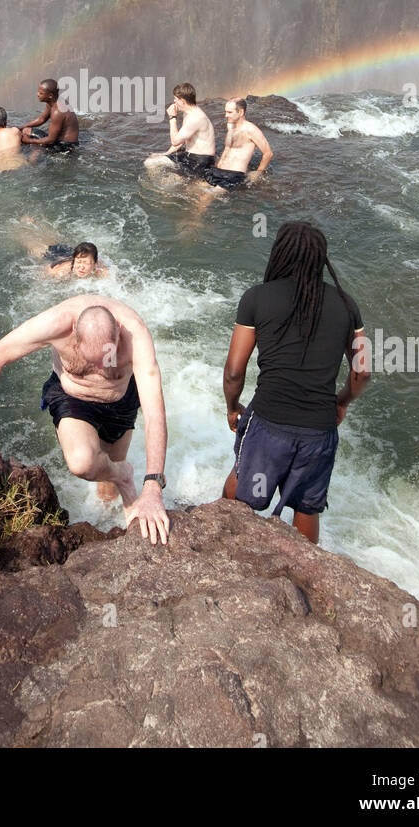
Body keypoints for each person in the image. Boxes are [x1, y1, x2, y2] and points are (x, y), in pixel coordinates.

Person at [0, 295, 170, 544]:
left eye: (108, 355)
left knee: (108, 477)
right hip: (73, 398)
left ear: (119, 331)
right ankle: (123, 475)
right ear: (74, 333)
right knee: (83, 464)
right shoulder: (57, 323)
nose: (101, 368)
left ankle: (118, 494)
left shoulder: (135, 333)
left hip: (120, 402)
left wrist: (153, 487)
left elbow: (155, 411)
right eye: (90, 360)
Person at [221, 221, 370, 544]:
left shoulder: (257, 299)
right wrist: (341, 401)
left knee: (242, 485)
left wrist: (233, 408)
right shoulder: (347, 305)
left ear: (280, 254)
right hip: (318, 430)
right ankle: (305, 573)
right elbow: (363, 371)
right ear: (321, 259)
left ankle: (222, 548)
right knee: (305, 506)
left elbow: (234, 370)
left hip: (268, 422)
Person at [143, 82, 216, 177]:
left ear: (182, 101)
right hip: (191, 156)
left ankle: (159, 188)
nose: (174, 101)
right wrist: (166, 153)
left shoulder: (195, 118)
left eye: (175, 99)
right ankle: (170, 183)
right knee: (153, 158)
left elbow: (175, 141)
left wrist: (172, 117)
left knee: (150, 163)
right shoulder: (189, 112)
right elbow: (182, 139)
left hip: (200, 161)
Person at [201, 98, 273, 191]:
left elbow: (268, 153)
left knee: (205, 197)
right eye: (225, 112)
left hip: (233, 175)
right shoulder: (230, 126)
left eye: (229, 112)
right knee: (193, 188)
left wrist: (258, 173)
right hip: (218, 170)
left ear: (241, 112)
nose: (226, 115)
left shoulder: (251, 130)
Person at [21, 78, 79, 152]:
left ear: (50, 95)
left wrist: (28, 141)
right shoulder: (53, 101)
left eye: (41, 93)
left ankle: (31, 160)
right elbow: (42, 119)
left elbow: (51, 140)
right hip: (58, 141)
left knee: (33, 144)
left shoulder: (57, 112)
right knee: (25, 130)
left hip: (65, 147)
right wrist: (21, 127)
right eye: (38, 92)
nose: (37, 94)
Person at [43, 241, 108, 280]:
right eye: (78, 262)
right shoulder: (64, 270)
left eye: (87, 263)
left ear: (94, 263)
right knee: (41, 248)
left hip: (75, 254)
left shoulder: (99, 269)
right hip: (55, 255)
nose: (82, 267)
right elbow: (47, 271)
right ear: (74, 261)